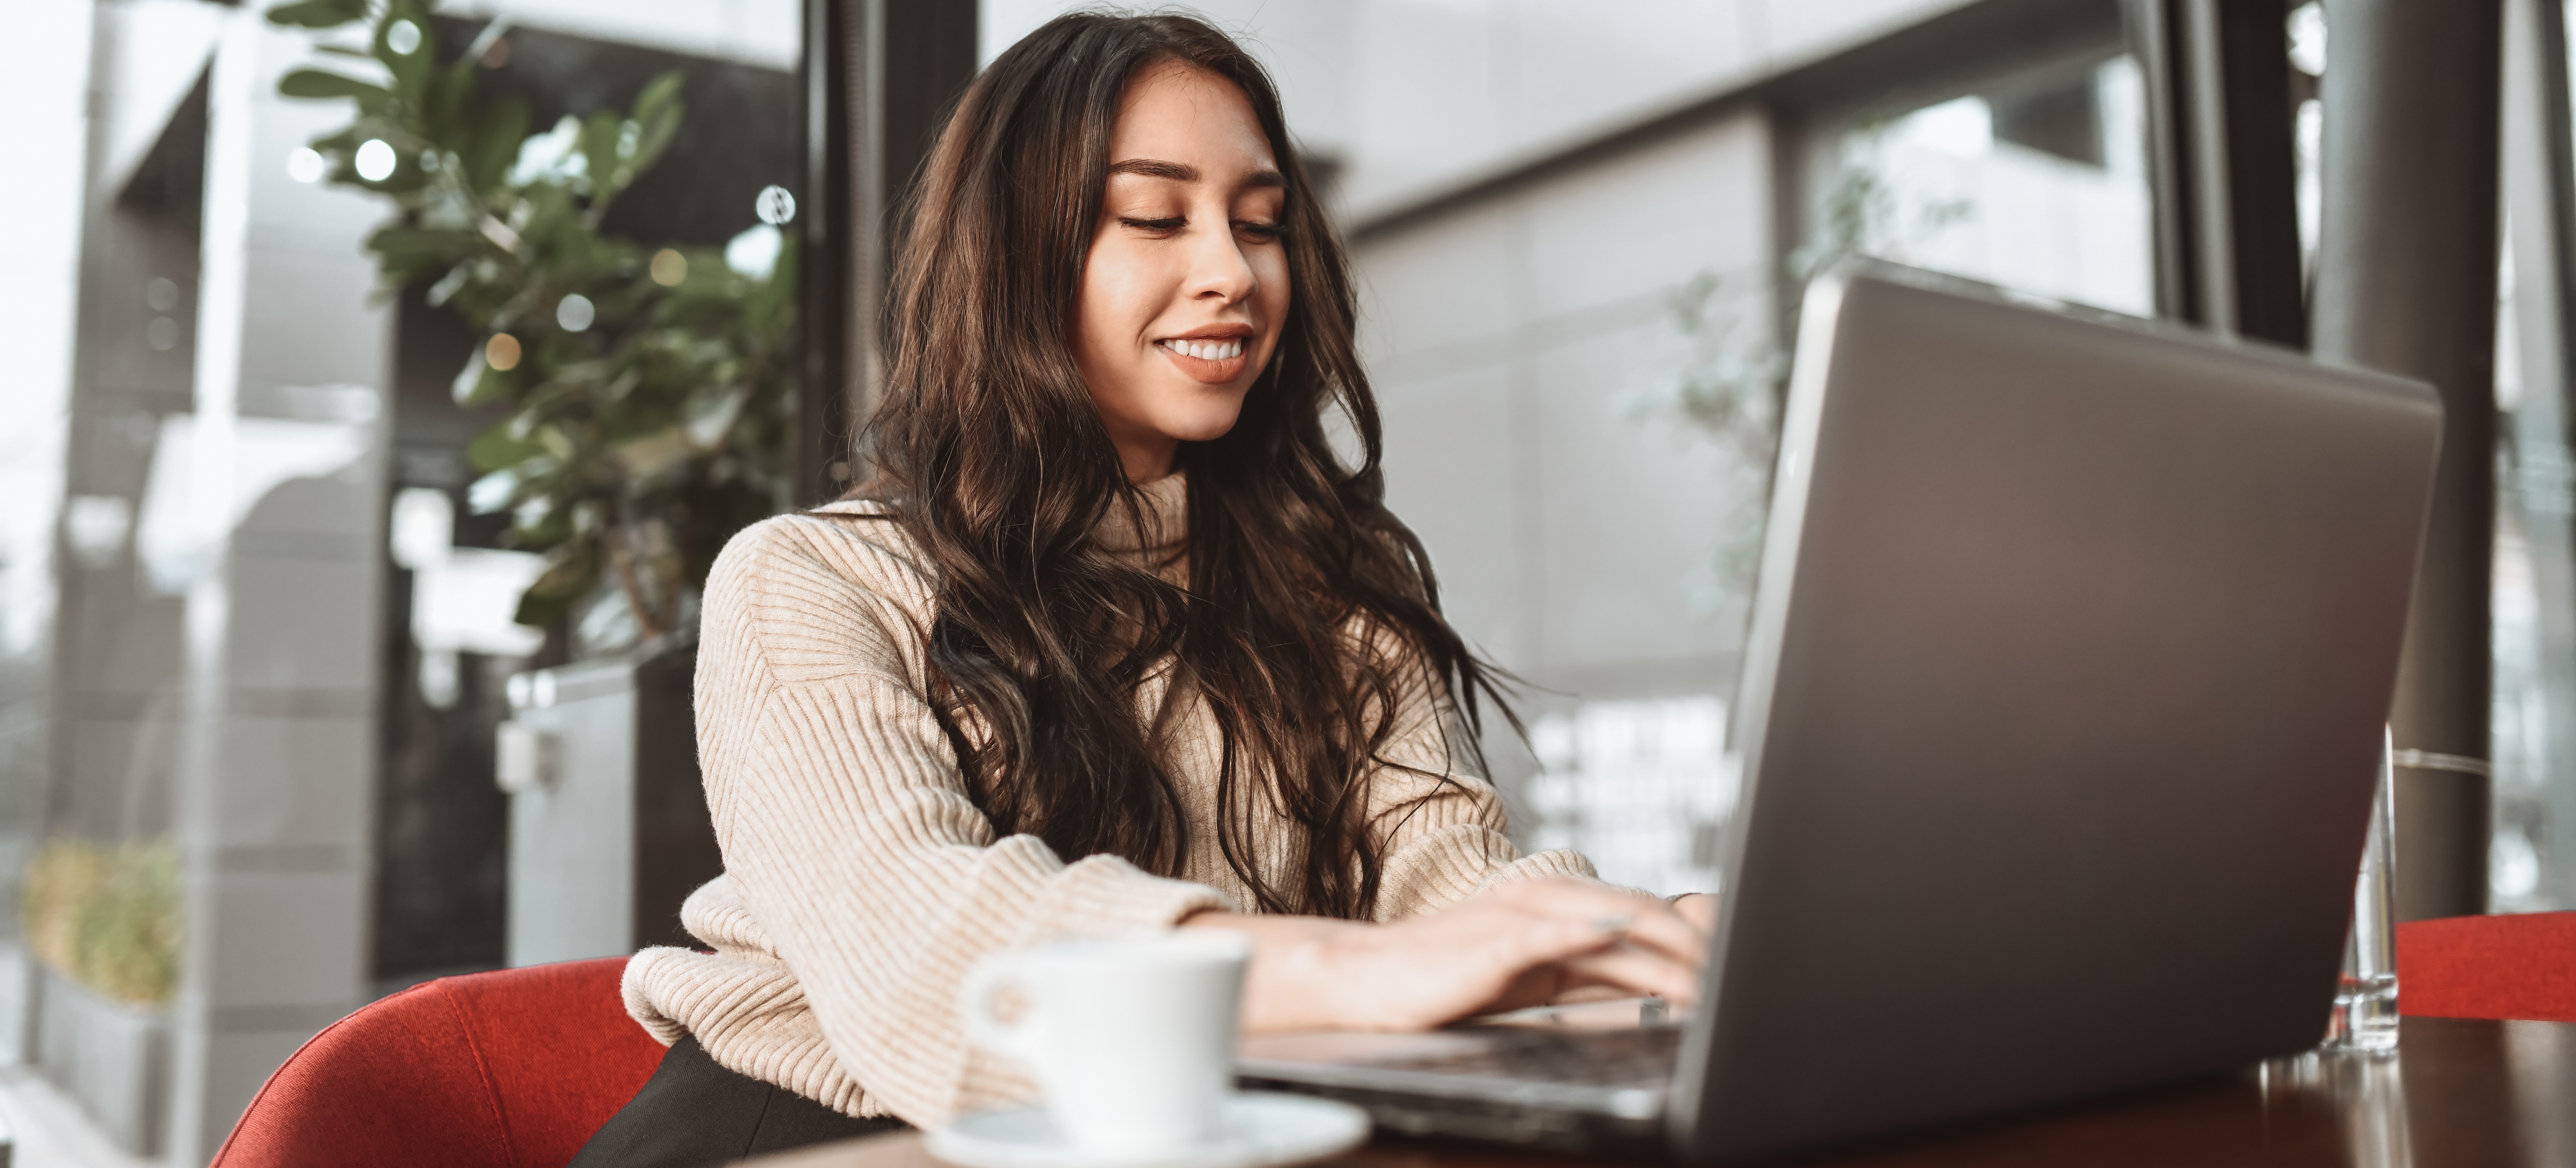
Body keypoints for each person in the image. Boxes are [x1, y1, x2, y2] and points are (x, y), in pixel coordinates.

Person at [572, 12, 1714, 1166]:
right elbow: (920, 960)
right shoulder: (808, 579)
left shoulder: (1335, 603)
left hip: (1157, 1133)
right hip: (812, 1137)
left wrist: (1652, 943)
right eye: (1156, 217)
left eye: (1260, 223)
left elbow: (1452, 897)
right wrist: (1357, 970)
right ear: (1014, 254)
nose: (1231, 272)